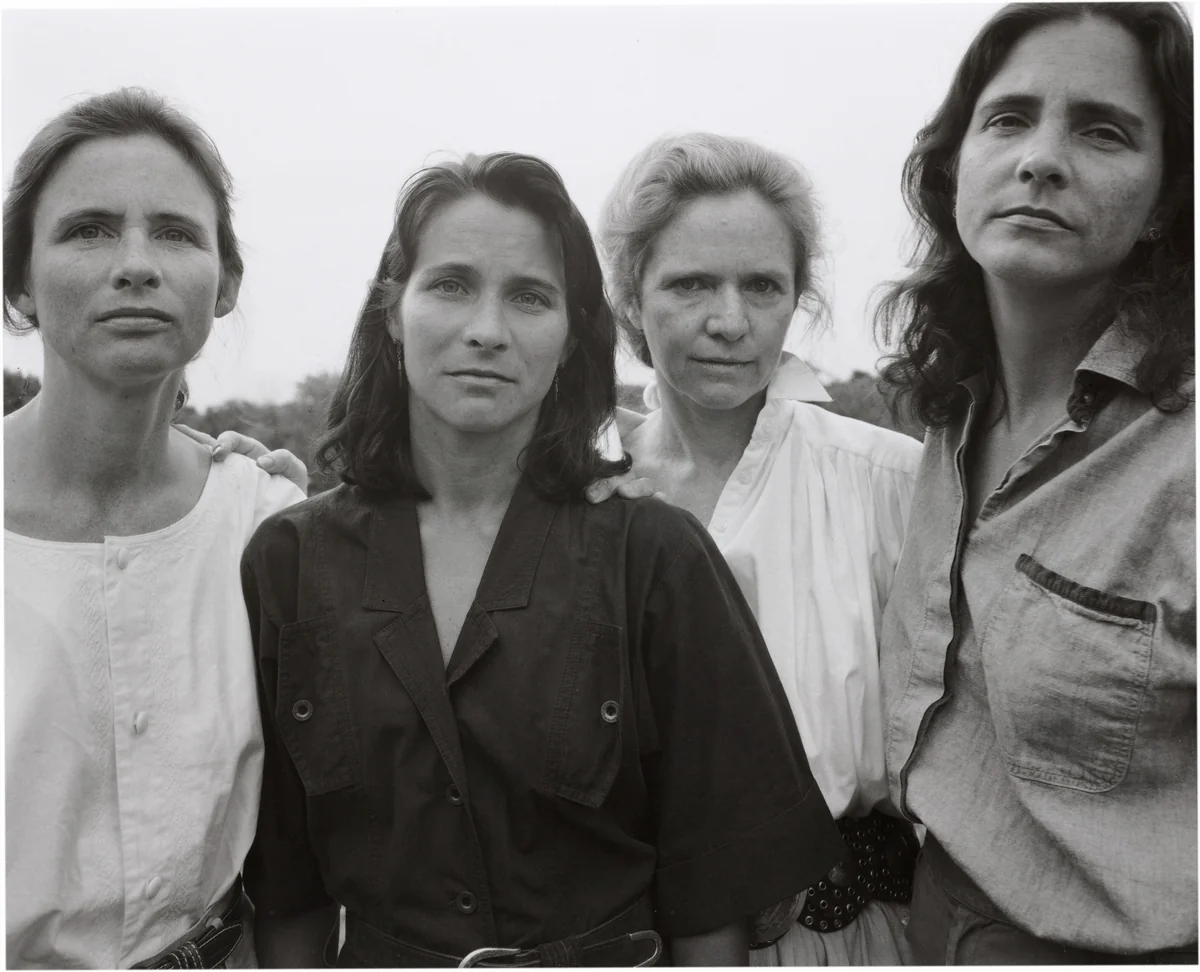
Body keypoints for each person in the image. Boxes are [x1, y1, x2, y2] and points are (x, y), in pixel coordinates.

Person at [241, 151, 844, 968]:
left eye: (530, 296)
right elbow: (289, 903)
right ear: (393, 309)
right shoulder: (290, 560)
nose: (487, 329)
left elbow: (713, 915)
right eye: (451, 284)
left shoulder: (654, 557)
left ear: (570, 337)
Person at [874, 2, 1195, 963]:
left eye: (1103, 130)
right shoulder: (949, 415)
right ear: (953, 165)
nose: (1041, 159)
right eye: (1008, 118)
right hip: (926, 922)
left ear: (1168, 199)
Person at [596, 133, 923, 966]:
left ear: (796, 300)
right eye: (691, 283)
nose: (730, 321)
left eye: (762, 287)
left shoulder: (889, 484)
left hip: (840, 940)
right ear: (631, 297)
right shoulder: (577, 496)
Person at [3, 88, 307, 969]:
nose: (136, 264)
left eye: (175, 232)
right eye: (88, 229)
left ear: (226, 282)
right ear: (19, 279)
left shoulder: (268, 525)